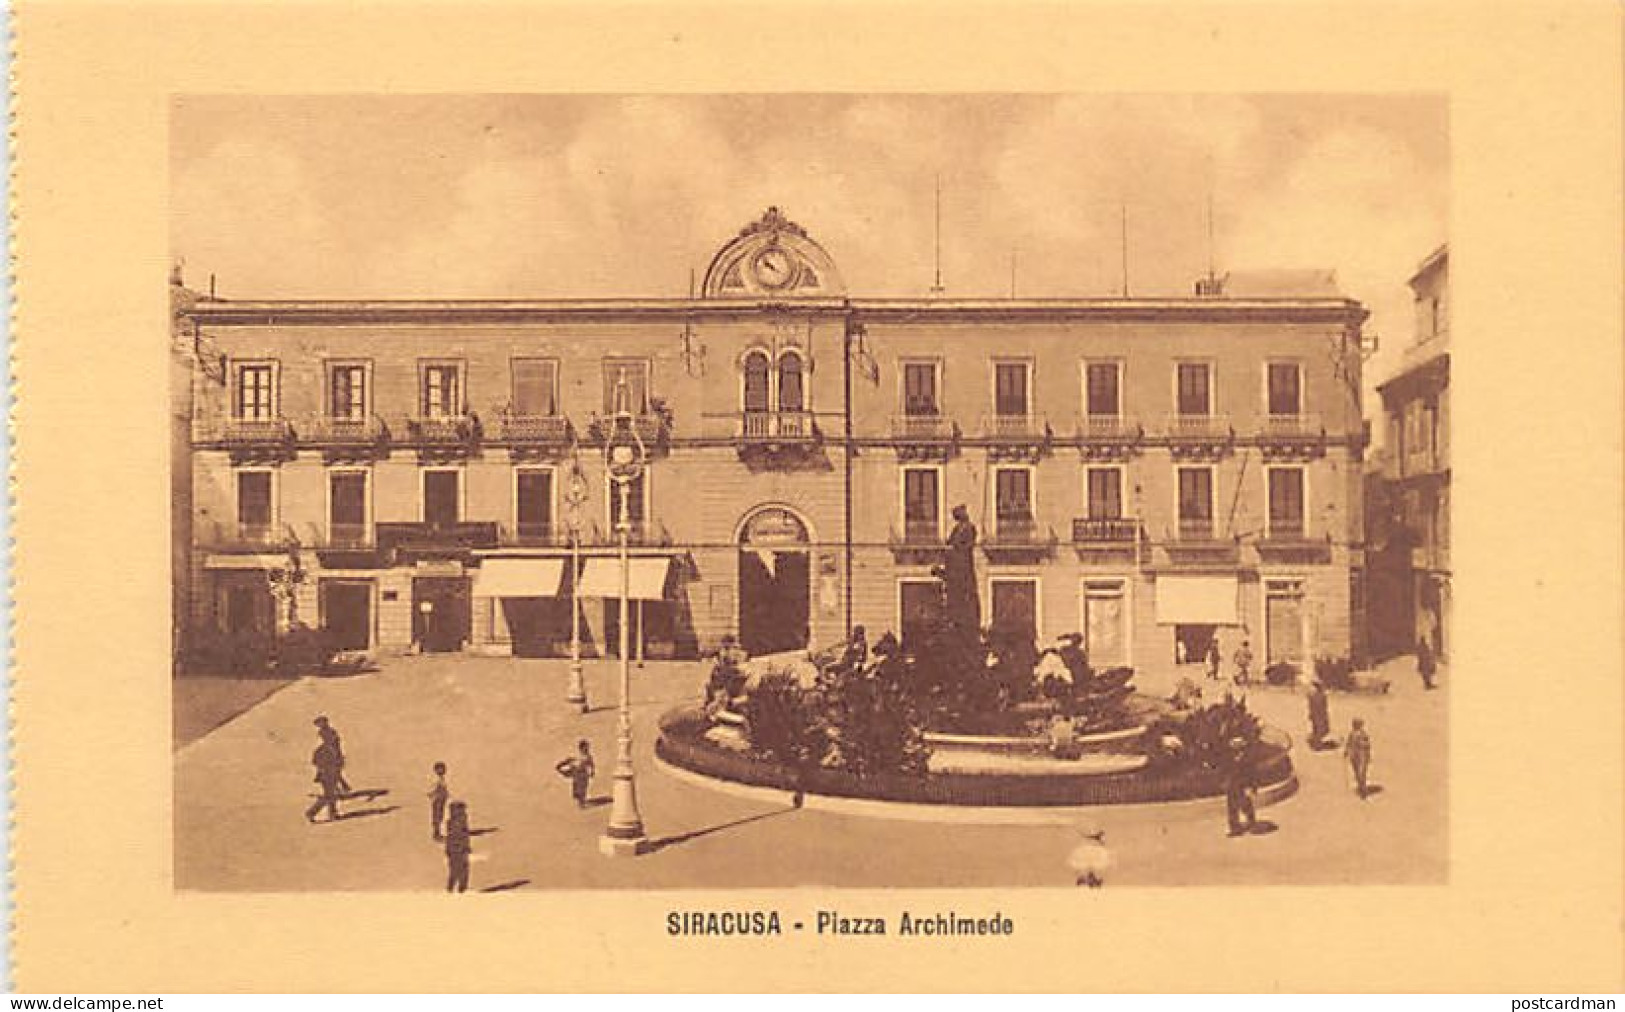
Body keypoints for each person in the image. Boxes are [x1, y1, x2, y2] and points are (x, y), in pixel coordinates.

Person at [943, 505, 981, 638]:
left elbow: (967, 545)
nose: (956, 516)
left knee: (963, 593)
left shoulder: (969, 528)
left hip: (963, 567)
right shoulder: (956, 529)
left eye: (958, 513)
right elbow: (950, 543)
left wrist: (955, 549)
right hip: (955, 568)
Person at [304, 738, 345, 823]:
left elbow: (338, 765)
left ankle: (333, 813)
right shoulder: (322, 750)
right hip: (326, 776)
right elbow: (315, 761)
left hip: (332, 775)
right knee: (328, 796)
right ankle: (311, 812)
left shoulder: (334, 750)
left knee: (332, 795)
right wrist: (323, 768)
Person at [1223, 736, 1257, 836]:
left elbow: (1252, 773)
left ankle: (1251, 821)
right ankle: (1234, 827)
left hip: (1244, 785)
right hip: (1233, 785)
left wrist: (1252, 787)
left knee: (1246, 804)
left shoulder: (1247, 758)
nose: (1235, 748)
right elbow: (1226, 770)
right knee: (1232, 806)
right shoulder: (1229, 757)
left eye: (1238, 746)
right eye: (1234, 746)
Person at [313, 716, 351, 794]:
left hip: (333, 749)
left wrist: (330, 748)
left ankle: (341, 787)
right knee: (331, 771)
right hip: (329, 749)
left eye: (320, 723)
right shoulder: (322, 731)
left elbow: (334, 741)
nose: (319, 725)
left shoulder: (330, 731)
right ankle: (340, 787)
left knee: (334, 772)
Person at [555, 739, 596, 809]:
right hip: (576, 773)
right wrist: (561, 765)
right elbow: (569, 760)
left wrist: (592, 772)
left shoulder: (588, 756)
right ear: (581, 748)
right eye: (585, 747)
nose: (586, 749)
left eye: (587, 748)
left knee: (582, 789)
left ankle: (582, 803)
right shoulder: (577, 755)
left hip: (583, 775)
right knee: (576, 788)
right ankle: (580, 801)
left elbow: (591, 765)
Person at [443, 801, 471, 893]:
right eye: (462, 810)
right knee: (458, 870)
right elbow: (456, 836)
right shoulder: (456, 822)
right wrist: (462, 848)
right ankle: (456, 890)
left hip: (458, 849)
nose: (465, 812)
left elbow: (463, 836)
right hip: (457, 850)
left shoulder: (459, 821)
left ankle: (458, 889)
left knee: (460, 870)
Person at [1344, 718, 1373, 798]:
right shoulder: (1352, 734)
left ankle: (1363, 790)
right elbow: (1348, 743)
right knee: (1357, 772)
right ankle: (1361, 787)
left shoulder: (1363, 735)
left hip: (1362, 755)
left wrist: (1367, 755)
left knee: (1361, 773)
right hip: (1354, 756)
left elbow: (1367, 746)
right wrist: (1346, 752)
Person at [427, 761, 450, 842]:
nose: (443, 771)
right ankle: (436, 834)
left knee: (440, 816)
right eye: (441, 769)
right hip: (437, 800)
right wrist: (435, 795)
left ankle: (438, 833)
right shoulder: (436, 780)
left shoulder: (441, 779)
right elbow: (432, 791)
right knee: (437, 817)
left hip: (441, 800)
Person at [1306, 680, 1331, 750]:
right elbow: (1324, 706)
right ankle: (1317, 745)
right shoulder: (1321, 696)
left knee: (1318, 729)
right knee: (1320, 729)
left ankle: (1316, 743)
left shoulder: (1313, 696)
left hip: (1317, 715)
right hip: (1319, 715)